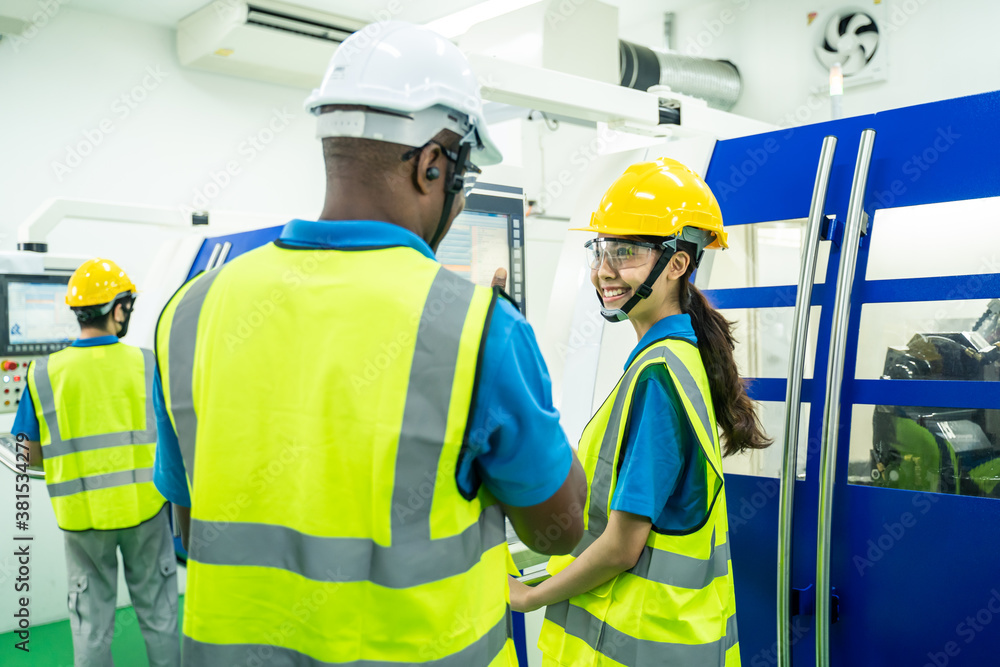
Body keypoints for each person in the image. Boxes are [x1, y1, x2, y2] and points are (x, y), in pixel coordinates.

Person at [152, 21, 586, 666]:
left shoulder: (191, 311)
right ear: (432, 163)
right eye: (459, 182)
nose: (460, 203)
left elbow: (193, 525)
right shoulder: (479, 329)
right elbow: (557, 530)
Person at [508, 158, 772, 666]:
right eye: (601, 250)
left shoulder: (660, 376)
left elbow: (622, 546)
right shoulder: (674, 357)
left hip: (635, 643)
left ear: (677, 264)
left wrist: (528, 597)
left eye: (625, 252)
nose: (604, 270)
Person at [14, 258, 180, 667]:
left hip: (83, 522)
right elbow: (175, 432)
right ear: (117, 309)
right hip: (147, 512)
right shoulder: (148, 363)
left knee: (91, 625)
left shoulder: (43, 373)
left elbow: (26, 453)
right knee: (160, 617)